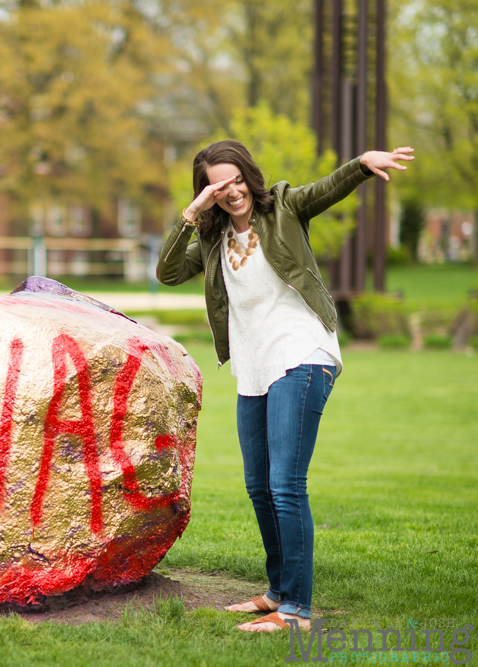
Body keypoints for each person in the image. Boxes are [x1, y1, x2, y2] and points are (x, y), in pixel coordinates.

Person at [156, 141, 413, 633]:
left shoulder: (284, 206)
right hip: (253, 367)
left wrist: (361, 165)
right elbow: (167, 273)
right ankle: (277, 591)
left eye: (235, 179)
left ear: (247, 175)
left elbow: (326, 190)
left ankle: (296, 610)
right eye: (217, 185)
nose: (230, 192)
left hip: (301, 354)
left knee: (285, 485)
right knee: (259, 487)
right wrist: (190, 216)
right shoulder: (212, 239)